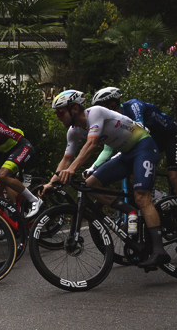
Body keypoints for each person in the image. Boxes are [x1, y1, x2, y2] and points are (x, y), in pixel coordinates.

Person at [47, 90, 169, 268]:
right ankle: (131, 211)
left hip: (143, 146)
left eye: (60, 112)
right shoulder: (73, 132)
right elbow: (66, 159)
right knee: (90, 186)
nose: (58, 118)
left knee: (142, 196)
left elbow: (92, 144)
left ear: (74, 109)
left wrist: (72, 170)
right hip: (125, 154)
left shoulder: (95, 112)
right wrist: (52, 182)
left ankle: (160, 251)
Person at [91, 86, 177, 227]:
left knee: (175, 177)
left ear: (112, 104)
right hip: (150, 140)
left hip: (169, 135)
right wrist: (93, 168)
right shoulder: (112, 121)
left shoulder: (134, 106)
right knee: (133, 177)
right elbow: (107, 150)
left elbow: (139, 128)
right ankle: (160, 197)